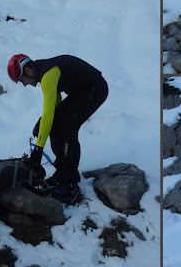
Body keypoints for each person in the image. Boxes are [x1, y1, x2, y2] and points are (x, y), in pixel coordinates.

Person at [7, 54, 108, 204]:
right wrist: (42, 122)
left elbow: (48, 112)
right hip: (82, 91)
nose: (24, 84)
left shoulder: (47, 76)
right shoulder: (44, 71)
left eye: (22, 80)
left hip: (96, 89)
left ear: (28, 70)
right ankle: (61, 172)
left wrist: (38, 148)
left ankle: (71, 184)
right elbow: (56, 103)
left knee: (68, 127)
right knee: (56, 124)